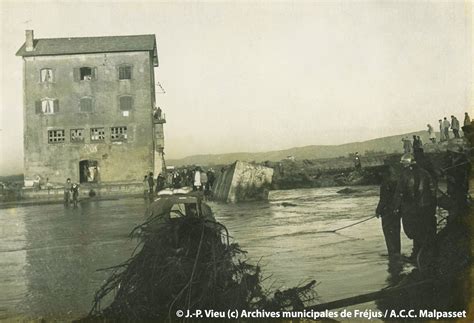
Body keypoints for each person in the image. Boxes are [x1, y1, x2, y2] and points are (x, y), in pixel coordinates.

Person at [392, 154, 437, 260]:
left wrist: (395, 207)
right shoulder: (425, 173)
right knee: (425, 228)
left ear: (406, 164)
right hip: (426, 206)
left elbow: (399, 193)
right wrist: (432, 204)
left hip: (411, 208)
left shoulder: (405, 175)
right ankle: (427, 252)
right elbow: (433, 189)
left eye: (403, 164)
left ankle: (417, 253)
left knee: (413, 230)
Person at [376, 165, 401, 258]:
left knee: (388, 233)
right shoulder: (396, 183)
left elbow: (383, 199)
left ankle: (392, 253)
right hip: (397, 211)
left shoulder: (384, 184)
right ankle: (397, 252)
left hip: (387, 212)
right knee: (396, 232)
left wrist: (378, 210)